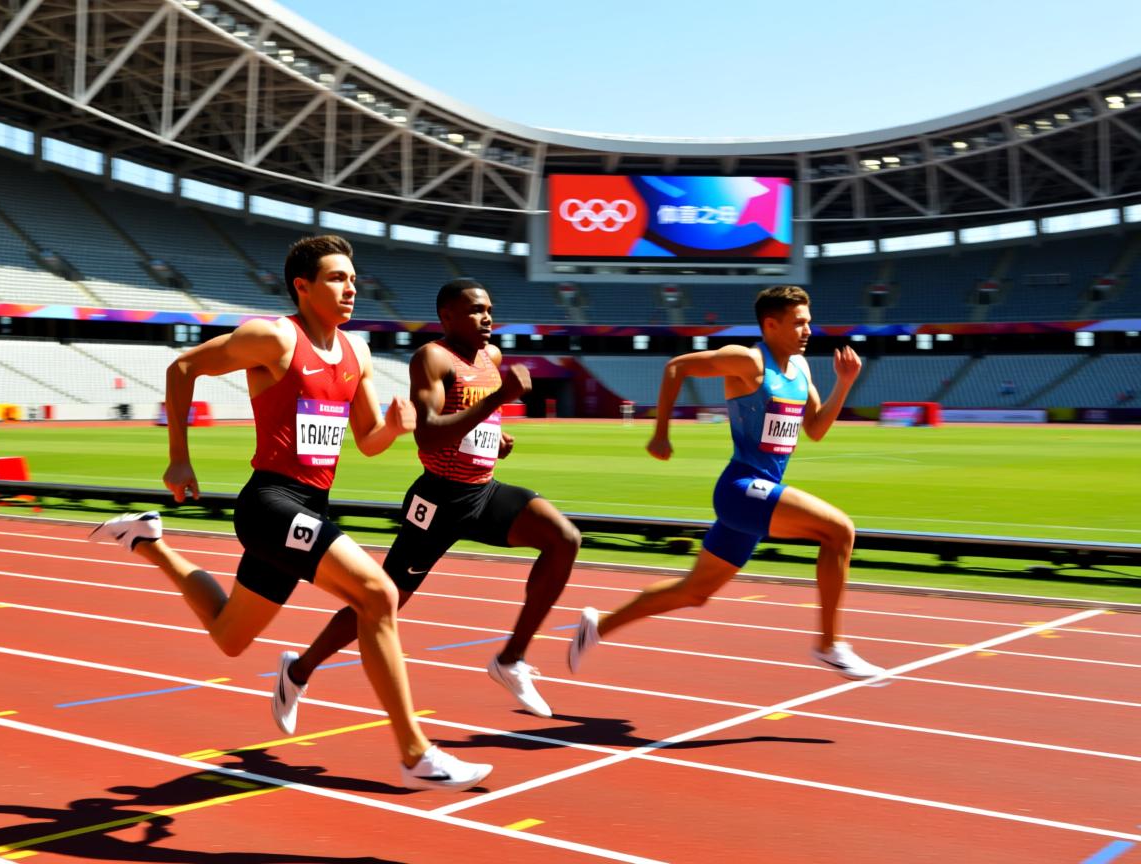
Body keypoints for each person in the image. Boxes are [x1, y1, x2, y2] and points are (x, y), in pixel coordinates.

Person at [89, 235, 492, 792]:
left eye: (353, 278)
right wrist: (179, 459)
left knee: (230, 637)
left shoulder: (359, 354)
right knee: (378, 593)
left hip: (311, 505)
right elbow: (184, 367)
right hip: (270, 503)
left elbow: (368, 441)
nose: (350, 288)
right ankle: (415, 751)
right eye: (335, 278)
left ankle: (148, 541)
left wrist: (395, 427)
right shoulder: (273, 337)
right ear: (302, 287)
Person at [269, 278, 581, 734]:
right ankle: (298, 670)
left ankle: (510, 659)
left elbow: (474, 420)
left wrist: (494, 440)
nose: (487, 318)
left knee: (564, 539)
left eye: (490, 308)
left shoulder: (490, 358)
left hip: (483, 490)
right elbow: (429, 433)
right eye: (475, 310)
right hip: (438, 500)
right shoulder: (432, 358)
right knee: (384, 600)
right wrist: (499, 399)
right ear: (448, 317)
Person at [567, 284, 885, 682]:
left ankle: (597, 626)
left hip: (758, 495)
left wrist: (845, 383)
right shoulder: (748, 361)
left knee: (694, 592)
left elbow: (816, 429)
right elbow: (676, 367)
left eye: (809, 322)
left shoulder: (801, 370)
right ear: (771, 325)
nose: (808, 330)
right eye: (799, 323)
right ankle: (830, 645)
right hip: (741, 489)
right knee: (839, 531)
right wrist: (660, 432)